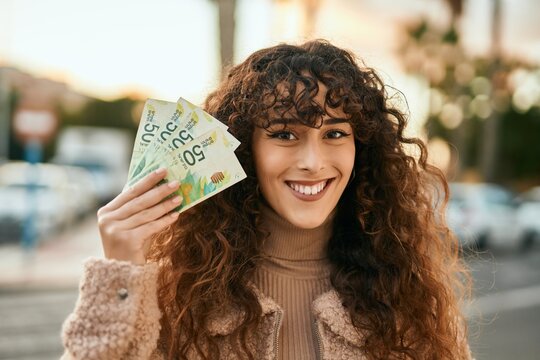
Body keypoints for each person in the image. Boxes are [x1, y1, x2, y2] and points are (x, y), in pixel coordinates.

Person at [61, 40, 472, 360]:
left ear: (360, 148)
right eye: (284, 133)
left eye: (334, 134)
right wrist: (117, 273)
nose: (313, 162)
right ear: (246, 150)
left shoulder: (408, 296)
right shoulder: (175, 291)